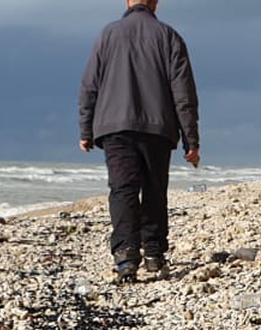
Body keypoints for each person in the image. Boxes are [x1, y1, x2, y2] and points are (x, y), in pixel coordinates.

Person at [78, 0, 200, 282]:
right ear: (155, 3)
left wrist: (85, 130)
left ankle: (125, 257)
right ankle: (154, 255)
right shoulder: (169, 36)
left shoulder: (108, 34)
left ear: (127, 1)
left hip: (114, 127)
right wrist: (190, 140)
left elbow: (89, 86)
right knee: (155, 189)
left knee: (122, 189)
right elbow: (184, 94)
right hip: (158, 128)